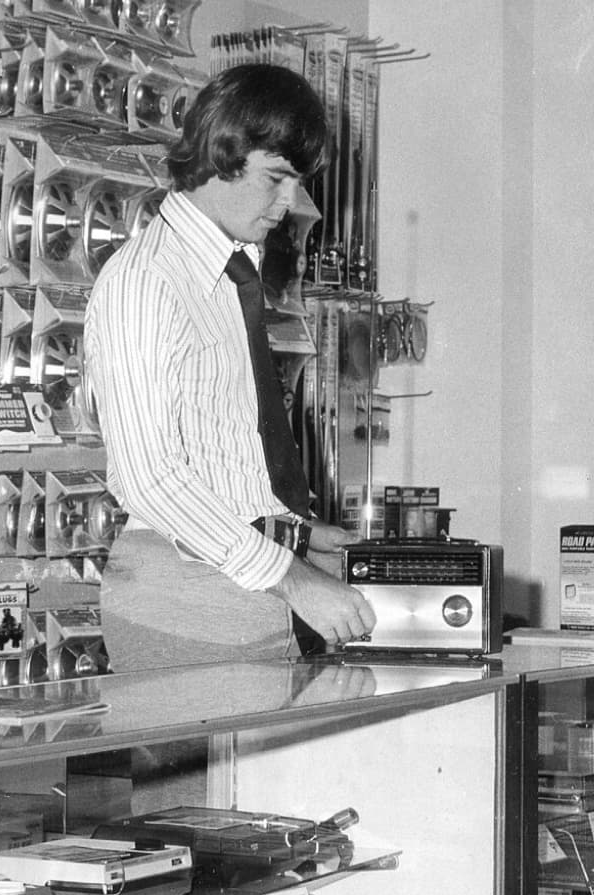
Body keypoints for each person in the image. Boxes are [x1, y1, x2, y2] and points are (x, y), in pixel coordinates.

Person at [85, 62, 376, 670]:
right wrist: (293, 578)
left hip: (235, 584)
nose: (292, 203)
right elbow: (148, 480)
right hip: (180, 595)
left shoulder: (228, 272)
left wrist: (297, 534)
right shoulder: (146, 281)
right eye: (276, 178)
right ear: (223, 154)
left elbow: (224, 455)